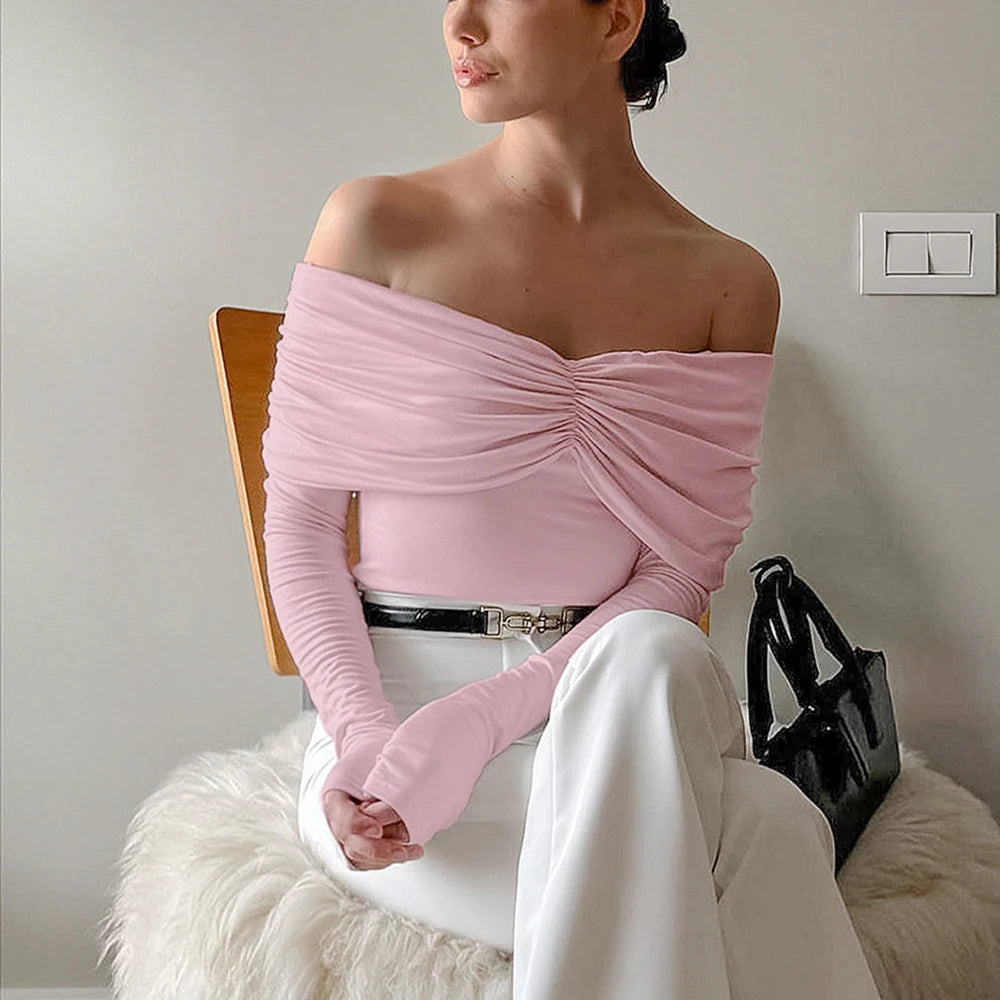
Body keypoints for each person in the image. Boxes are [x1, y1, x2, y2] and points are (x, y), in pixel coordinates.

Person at [261, 1, 883, 997]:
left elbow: (680, 571)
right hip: (396, 720)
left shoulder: (728, 281)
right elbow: (296, 526)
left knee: (649, 649)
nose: (457, 23)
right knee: (771, 831)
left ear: (613, 20)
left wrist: (481, 724)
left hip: (622, 707)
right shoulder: (377, 224)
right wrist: (372, 738)